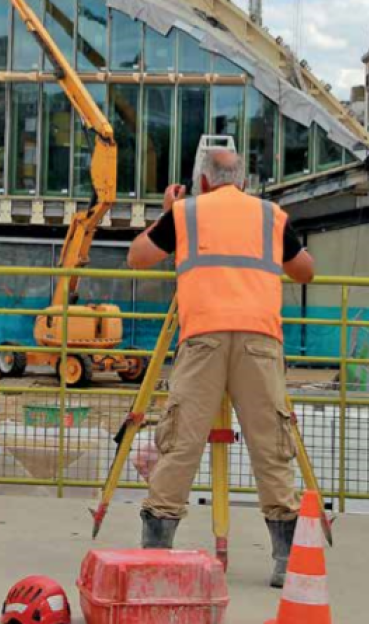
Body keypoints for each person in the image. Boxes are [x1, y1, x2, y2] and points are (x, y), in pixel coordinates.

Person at [127, 148, 314, 588]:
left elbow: (138, 258)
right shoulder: (272, 215)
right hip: (259, 341)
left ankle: (156, 552)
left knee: (181, 443)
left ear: (204, 182)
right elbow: (305, 271)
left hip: (204, 338)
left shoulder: (187, 213)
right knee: (271, 445)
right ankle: (286, 561)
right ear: (243, 181)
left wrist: (168, 214)